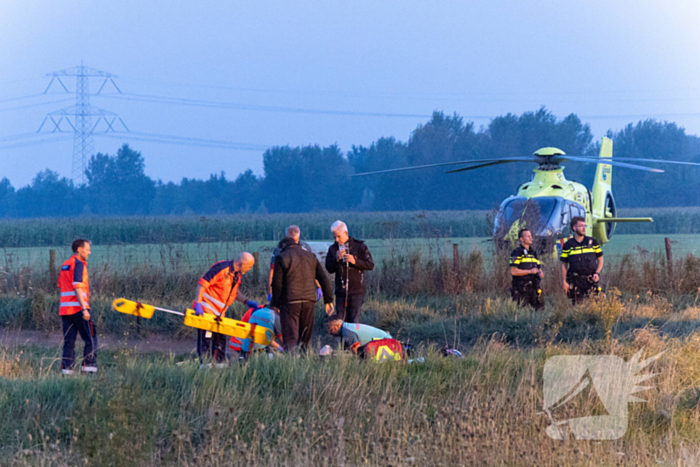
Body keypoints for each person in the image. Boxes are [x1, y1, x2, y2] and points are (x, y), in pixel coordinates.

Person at [270, 235, 334, 352]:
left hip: (290, 302)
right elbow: (324, 279)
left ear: (283, 247)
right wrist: (328, 300)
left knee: (290, 338)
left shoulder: (282, 257)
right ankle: (305, 362)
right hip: (309, 301)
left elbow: (277, 284)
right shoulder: (311, 256)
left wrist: (275, 304)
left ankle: (292, 365)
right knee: (305, 337)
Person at [193, 252, 259, 364]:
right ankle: (205, 367)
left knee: (220, 342)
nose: (249, 269)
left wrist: (246, 301)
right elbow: (202, 284)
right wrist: (198, 304)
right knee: (206, 341)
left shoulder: (236, 275)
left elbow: (234, 292)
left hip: (219, 315)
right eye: (249, 266)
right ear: (242, 264)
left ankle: (219, 366)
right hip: (206, 312)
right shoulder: (221, 269)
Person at [58, 239, 97, 374]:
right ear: (79, 250)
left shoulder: (65, 265)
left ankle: (67, 371)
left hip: (65, 310)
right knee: (90, 338)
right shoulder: (79, 264)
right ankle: (89, 369)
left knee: (69, 342)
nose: (89, 253)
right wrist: (84, 308)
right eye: (87, 250)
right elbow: (77, 286)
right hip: (79, 309)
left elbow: (62, 286)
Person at [324, 221, 374, 324]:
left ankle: (354, 340)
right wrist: (336, 259)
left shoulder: (359, 246)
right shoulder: (333, 249)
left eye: (339, 237)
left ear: (345, 233)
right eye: (335, 238)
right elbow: (329, 268)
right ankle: (342, 340)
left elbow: (370, 265)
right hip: (340, 293)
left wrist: (355, 261)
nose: (337, 240)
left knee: (354, 323)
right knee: (340, 323)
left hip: (356, 291)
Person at [268, 225, 321, 303]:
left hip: (295, 292)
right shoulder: (305, 248)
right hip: (300, 292)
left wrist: (271, 291)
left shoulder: (280, 250)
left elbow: (272, 271)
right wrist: (318, 286)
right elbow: (313, 269)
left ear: (285, 236)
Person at [560, 216, 604, 304]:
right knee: (577, 307)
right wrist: (564, 281)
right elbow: (563, 265)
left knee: (595, 305)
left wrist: (597, 273)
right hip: (576, 280)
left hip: (591, 279)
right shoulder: (568, 245)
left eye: (585, 226)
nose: (584, 228)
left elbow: (600, 260)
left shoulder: (593, 242)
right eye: (581, 226)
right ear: (574, 228)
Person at [509, 228, 544, 310]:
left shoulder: (533, 253)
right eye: (528, 236)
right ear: (521, 239)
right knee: (522, 312)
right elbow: (513, 271)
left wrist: (540, 273)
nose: (530, 238)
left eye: (531, 236)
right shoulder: (516, 252)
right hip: (522, 288)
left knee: (540, 311)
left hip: (534, 287)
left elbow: (539, 269)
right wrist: (529, 271)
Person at [325, 315, 392, 354]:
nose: (329, 333)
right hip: (386, 340)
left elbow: (356, 350)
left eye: (331, 329)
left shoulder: (347, 332)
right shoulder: (347, 327)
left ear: (337, 326)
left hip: (386, 344)